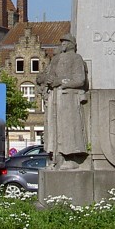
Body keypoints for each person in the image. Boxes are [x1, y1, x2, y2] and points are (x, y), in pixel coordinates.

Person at [39, 34, 89, 169]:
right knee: (54, 129)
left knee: (68, 128)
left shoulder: (76, 58)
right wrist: (48, 80)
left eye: (66, 42)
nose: (63, 44)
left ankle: (70, 158)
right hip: (54, 98)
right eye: (62, 42)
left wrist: (61, 81)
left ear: (72, 43)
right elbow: (47, 76)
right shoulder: (56, 59)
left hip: (68, 99)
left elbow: (80, 80)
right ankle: (56, 158)